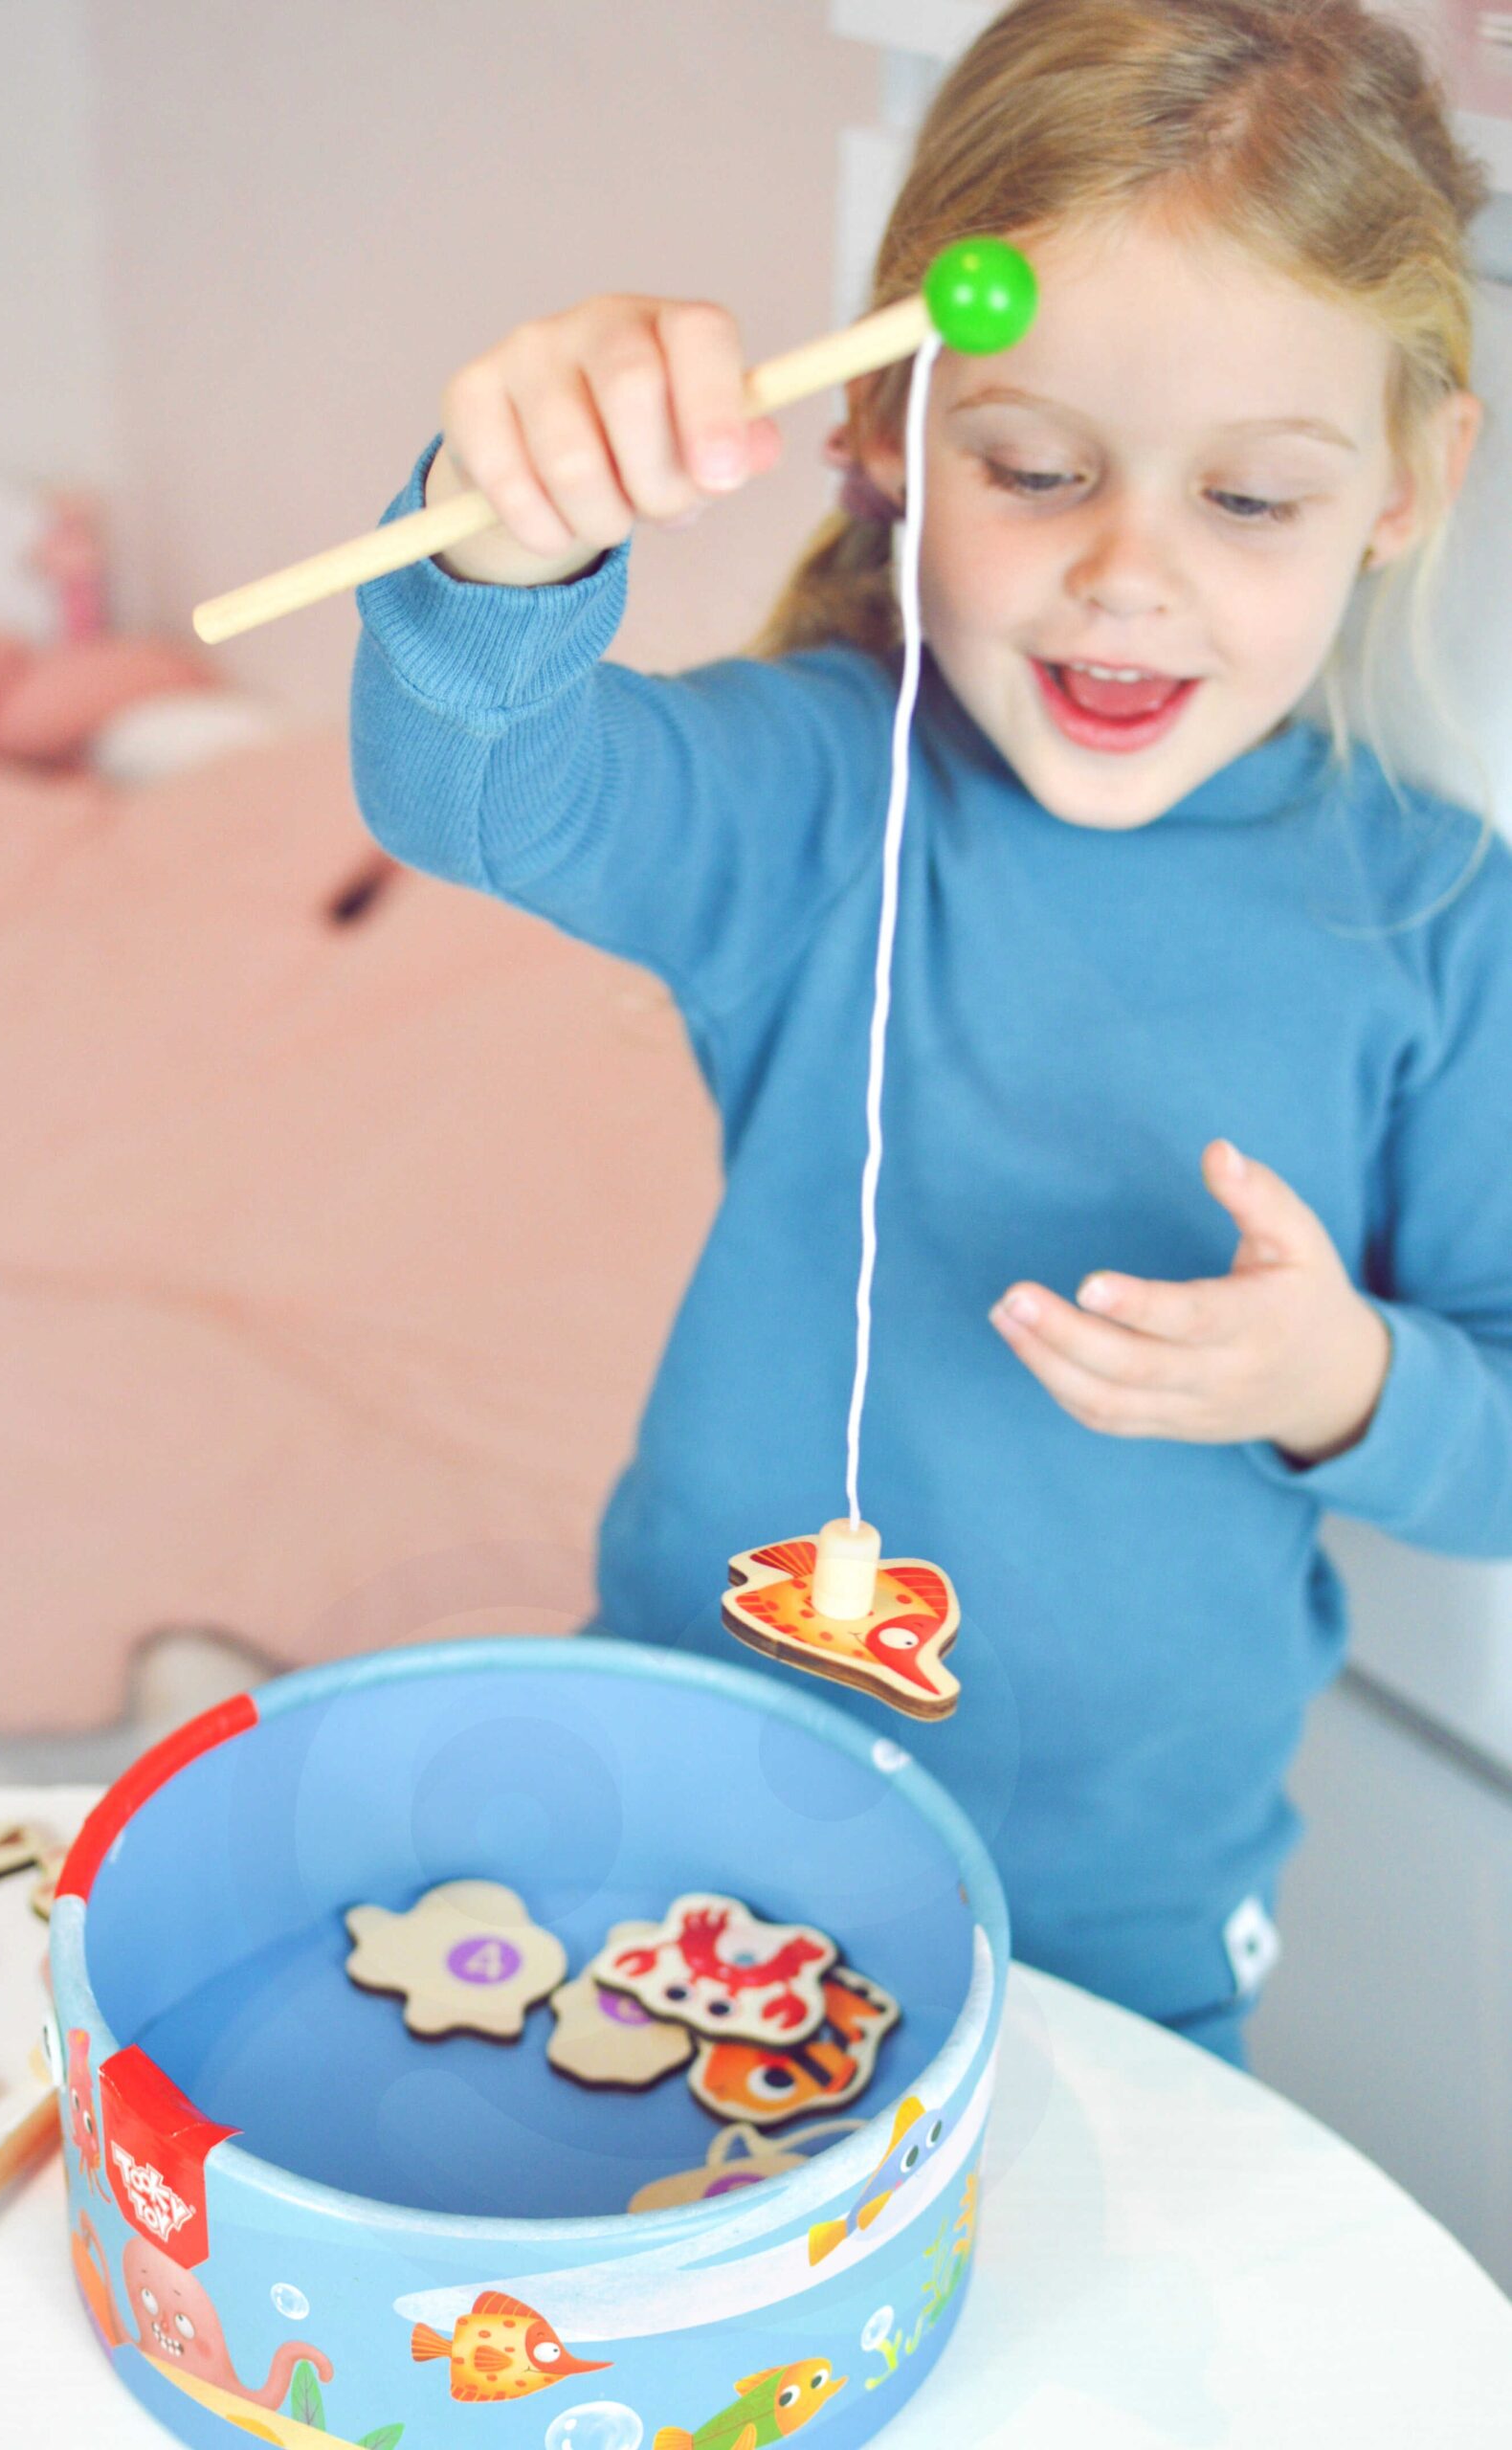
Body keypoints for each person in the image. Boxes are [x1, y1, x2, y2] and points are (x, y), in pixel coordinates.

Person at [349, 0, 1512, 2065]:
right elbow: (473, 790)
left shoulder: (1435, 919)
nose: (1126, 576)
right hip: (679, 1822)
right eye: (1037, 469)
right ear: (890, 428)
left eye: (1250, 499)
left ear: (1405, 484)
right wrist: (507, 518)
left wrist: (1340, 1378)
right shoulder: (824, 795)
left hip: (1118, 1923)